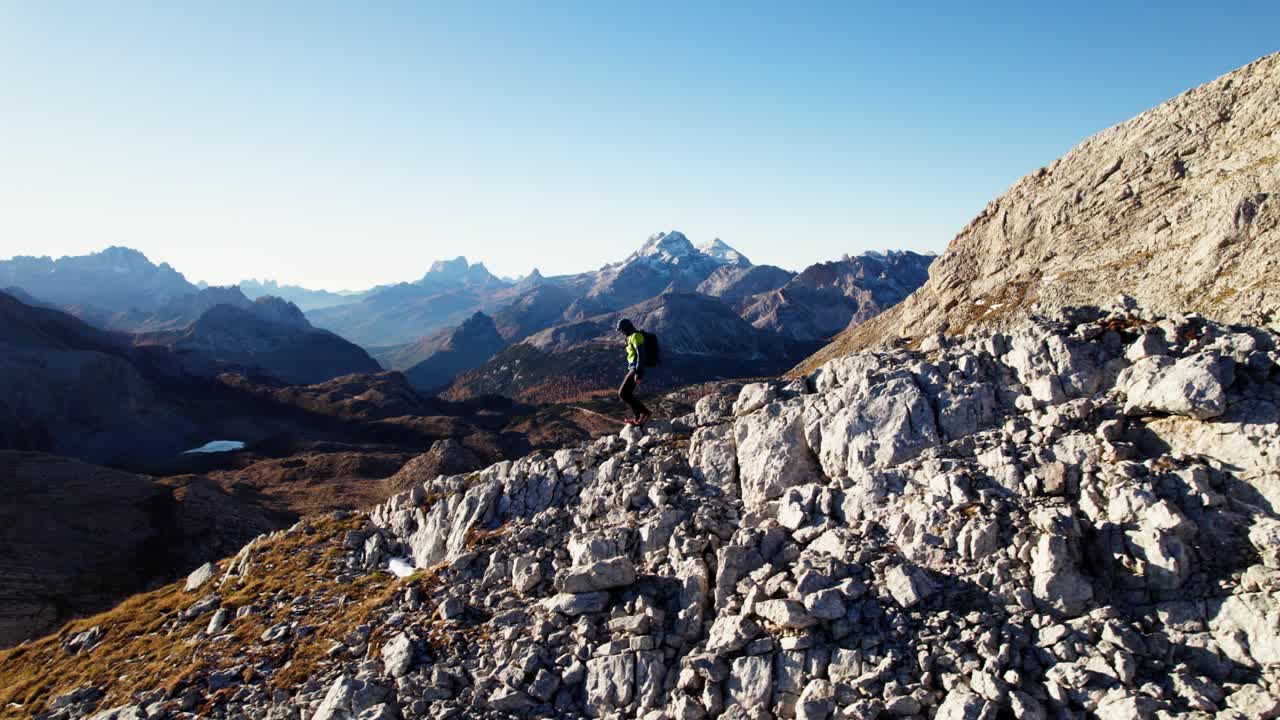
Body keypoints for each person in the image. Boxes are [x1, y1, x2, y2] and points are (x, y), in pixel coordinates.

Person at [616, 318, 651, 426]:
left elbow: (641, 354)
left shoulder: (636, 336)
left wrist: (638, 372)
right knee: (627, 394)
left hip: (636, 369)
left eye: (622, 330)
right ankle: (637, 417)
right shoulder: (630, 337)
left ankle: (645, 413)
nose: (621, 332)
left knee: (622, 393)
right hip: (633, 368)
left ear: (626, 328)